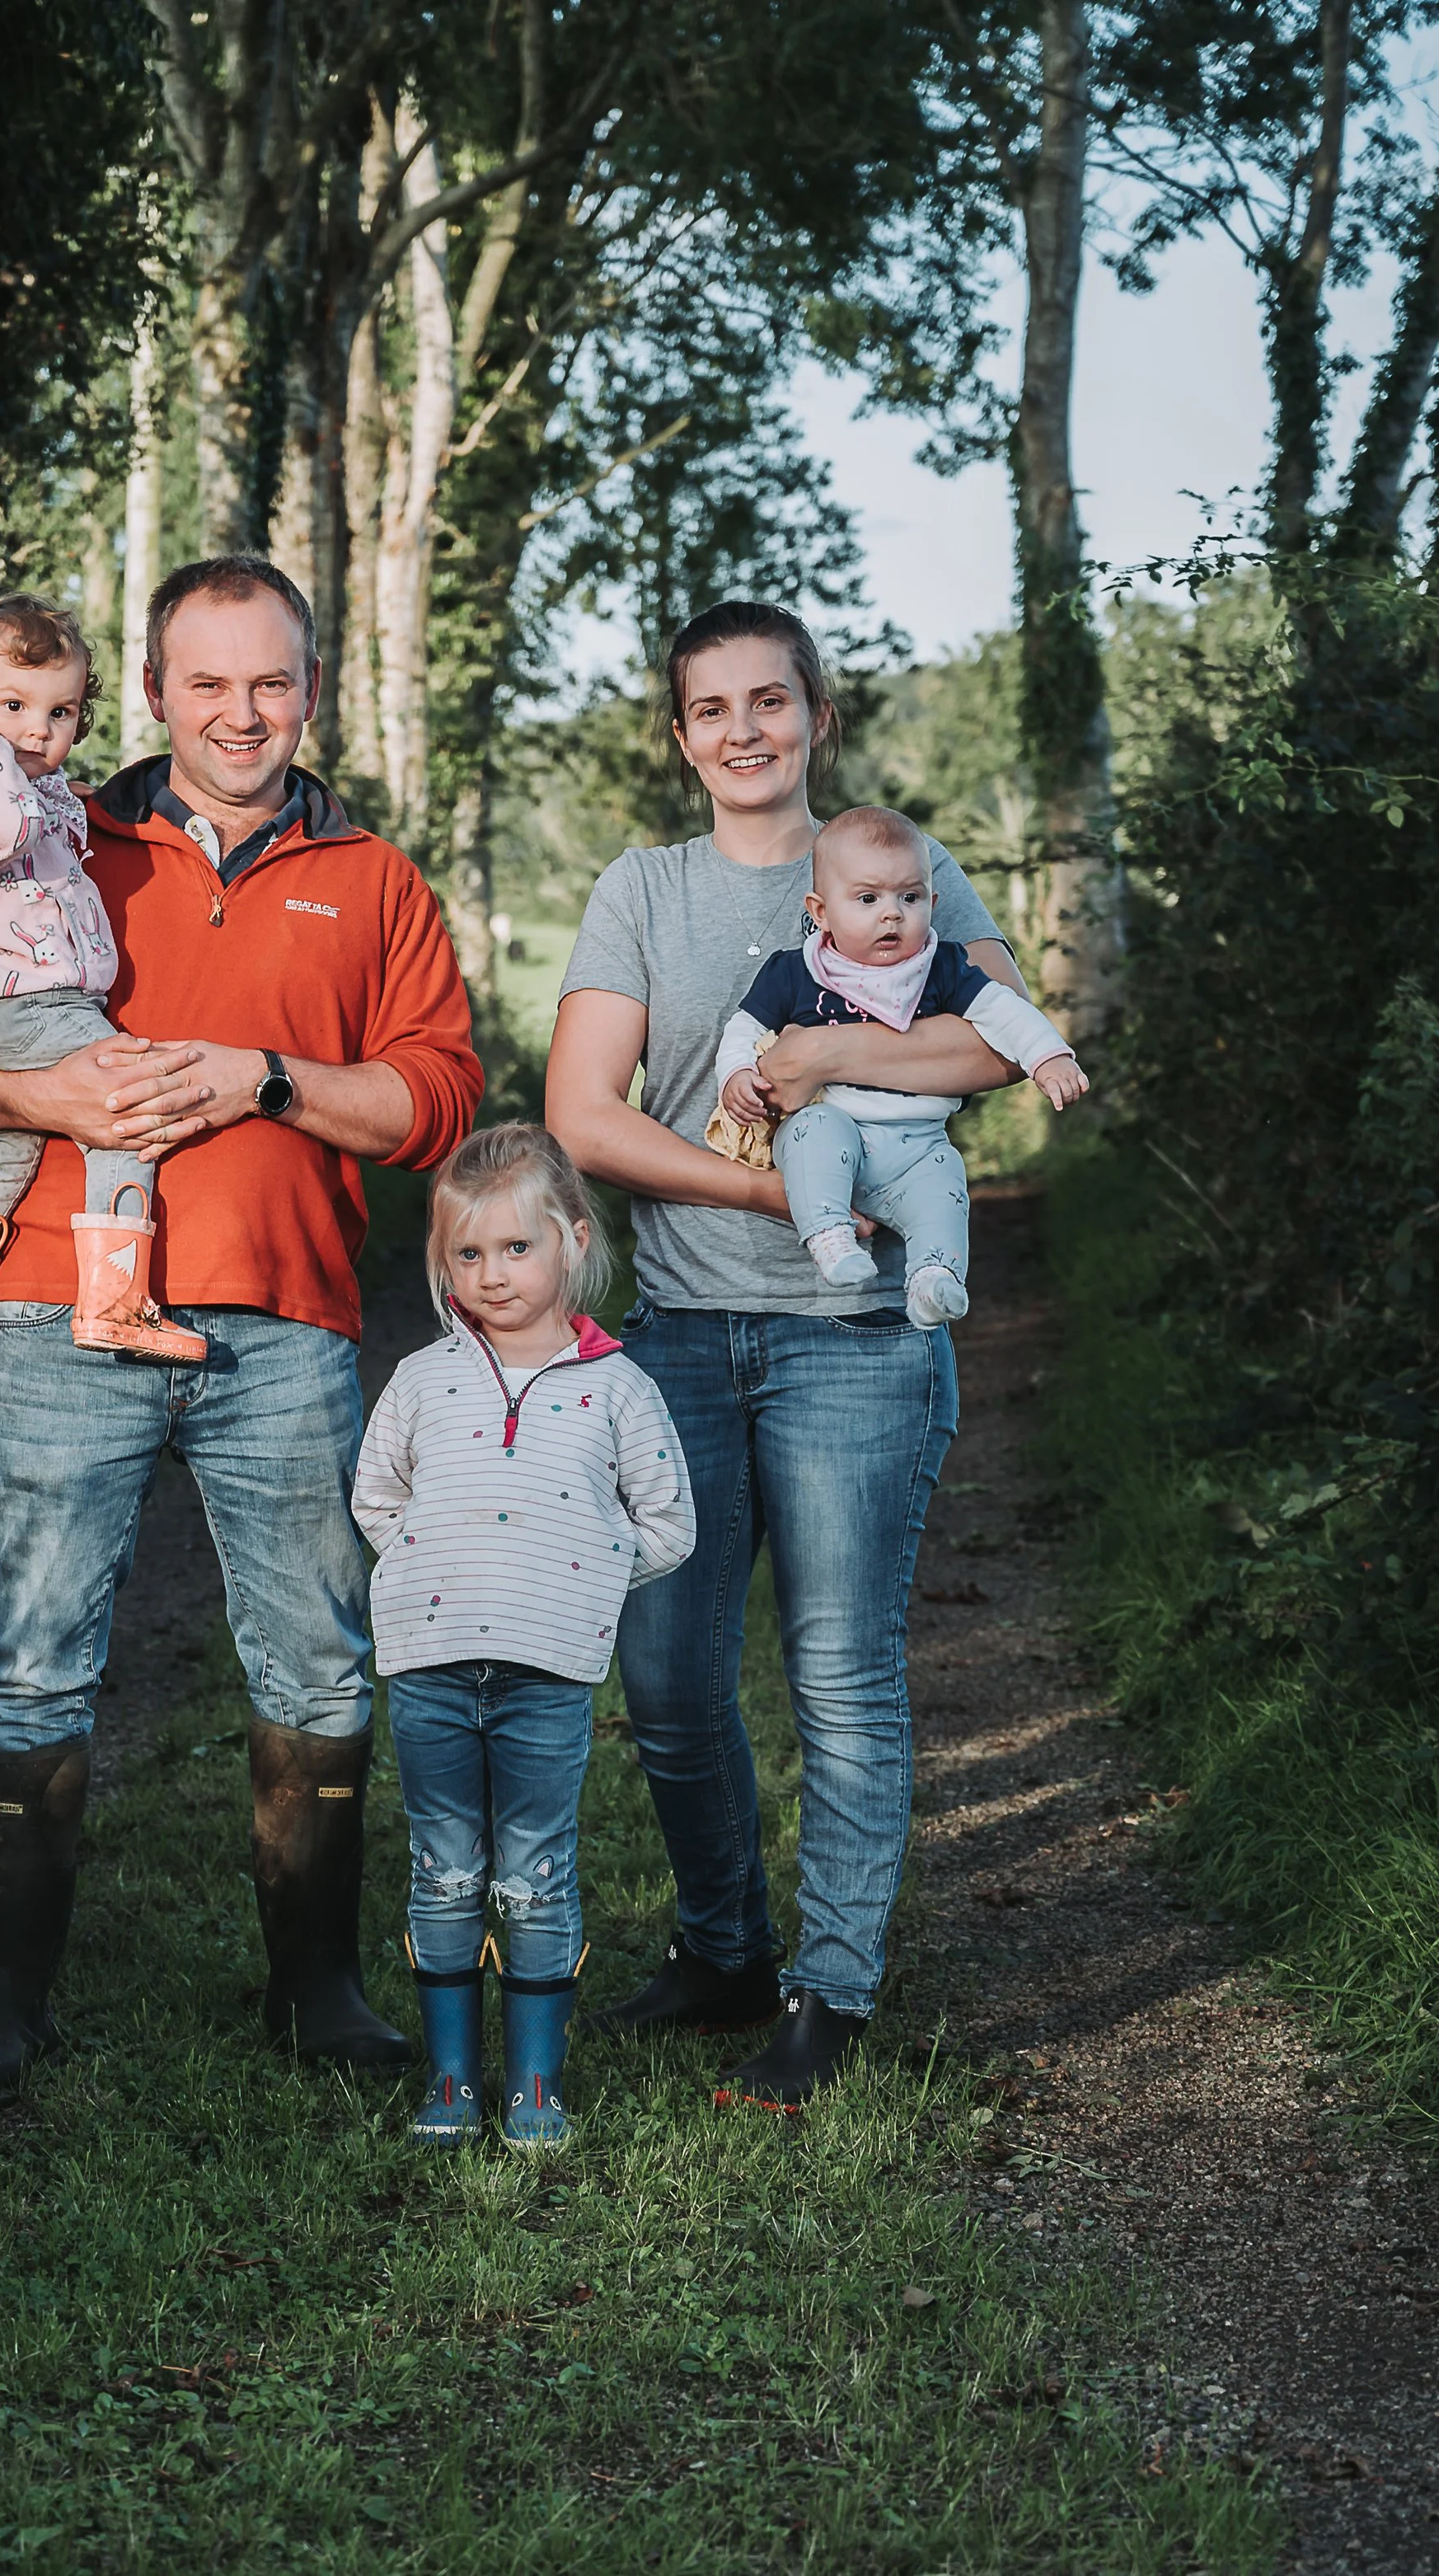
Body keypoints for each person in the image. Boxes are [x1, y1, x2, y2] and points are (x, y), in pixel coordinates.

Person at [0, 555, 483, 2109]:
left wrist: (263, 1076)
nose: (240, 712)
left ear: (311, 690)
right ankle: (2, 2017)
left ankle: (318, 1993)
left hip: (286, 1325)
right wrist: (38, 1094)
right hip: (55, 1316)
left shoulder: (378, 879)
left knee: (321, 1667)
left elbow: (438, 1104)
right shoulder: (57, 834)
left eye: (270, 681)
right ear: (153, 693)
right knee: (30, 1668)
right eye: (206, 682)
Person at [544, 600, 1031, 2111]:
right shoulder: (644, 889)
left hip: (864, 1343)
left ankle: (830, 1990)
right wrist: (779, 1187)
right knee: (672, 1672)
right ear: (680, 732)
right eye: (712, 708)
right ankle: (723, 1951)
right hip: (684, 1332)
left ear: (819, 714)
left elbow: (1002, 1042)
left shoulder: (906, 864)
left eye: (772, 701)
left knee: (841, 1672)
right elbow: (585, 1117)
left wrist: (825, 1057)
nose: (745, 731)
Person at [352, 1126, 693, 2149]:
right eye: (468, 1254)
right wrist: (423, 1557)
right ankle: (453, 2078)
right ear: (441, 1262)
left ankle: (534, 2083)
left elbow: (667, 1522)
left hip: (549, 1672)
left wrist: (575, 1576)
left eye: (516, 1249)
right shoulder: (420, 1378)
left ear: (573, 1242)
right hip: (430, 1667)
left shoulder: (617, 1387)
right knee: (444, 1863)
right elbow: (378, 1496)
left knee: (536, 1864)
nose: (492, 1275)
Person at [0, 593, 206, 1396]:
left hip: (43, 1004)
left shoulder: (42, 794)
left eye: (60, 711)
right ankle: (115, 1302)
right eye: (12, 706)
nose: (37, 729)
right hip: (14, 1006)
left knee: (8, 1150)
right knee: (123, 1097)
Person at [712, 803, 1087, 1329]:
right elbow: (743, 1029)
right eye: (867, 899)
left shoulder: (941, 968)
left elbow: (1004, 1011)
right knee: (810, 1131)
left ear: (932, 903)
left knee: (945, 1182)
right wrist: (735, 1075)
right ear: (820, 911)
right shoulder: (797, 972)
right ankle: (830, 1235)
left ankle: (934, 1280)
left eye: (909, 898)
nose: (891, 914)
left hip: (918, 1146)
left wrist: (1050, 1057)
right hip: (840, 1133)